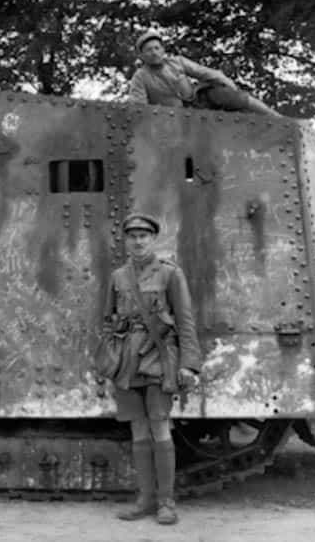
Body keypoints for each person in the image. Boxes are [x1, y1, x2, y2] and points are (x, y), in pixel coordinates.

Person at [102, 214, 201, 526]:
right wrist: (110, 357)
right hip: (126, 363)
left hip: (158, 359)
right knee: (138, 430)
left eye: (144, 235)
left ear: (153, 239)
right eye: (132, 235)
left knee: (160, 427)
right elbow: (108, 319)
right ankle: (144, 500)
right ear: (126, 240)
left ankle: (166, 502)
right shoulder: (118, 277)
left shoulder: (170, 274)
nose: (138, 240)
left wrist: (189, 364)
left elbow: (184, 321)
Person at [128, 29, 281, 116]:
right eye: (148, 50)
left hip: (197, 100)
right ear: (141, 56)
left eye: (157, 48)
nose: (154, 53)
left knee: (229, 96)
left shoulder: (177, 62)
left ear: (163, 50)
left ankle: (274, 116)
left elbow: (204, 73)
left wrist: (227, 82)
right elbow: (139, 107)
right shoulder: (140, 77)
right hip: (174, 115)